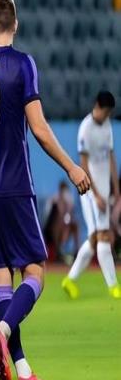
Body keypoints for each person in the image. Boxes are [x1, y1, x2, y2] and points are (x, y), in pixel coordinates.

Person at [0, 0, 90, 380]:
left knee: (2, 277)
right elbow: (39, 128)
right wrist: (71, 167)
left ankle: (23, 369)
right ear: (14, 24)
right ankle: (2, 330)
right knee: (36, 272)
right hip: (15, 187)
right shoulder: (23, 65)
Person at [62, 91, 120, 299]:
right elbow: (84, 165)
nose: (107, 116)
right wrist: (95, 195)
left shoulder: (107, 126)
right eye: (106, 111)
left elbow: (110, 156)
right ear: (98, 106)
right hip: (90, 191)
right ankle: (114, 287)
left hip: (104, 190)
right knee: (103, 235)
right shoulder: (85, 128)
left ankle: (70, 280)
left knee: (95, 238)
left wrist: (116, 188)